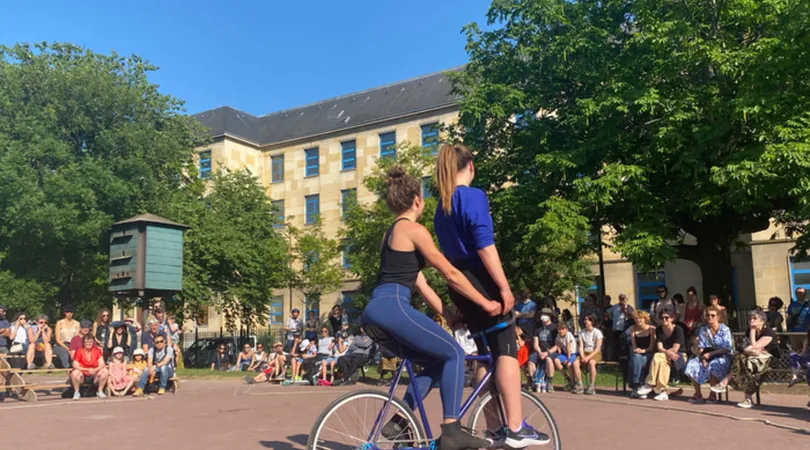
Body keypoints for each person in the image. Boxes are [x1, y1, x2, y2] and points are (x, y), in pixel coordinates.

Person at [361, 164, 506, 450]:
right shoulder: (415, 230)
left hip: (375, 312)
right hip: (393, 306)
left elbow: (422, 284)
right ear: (417, 200)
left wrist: (449, 316)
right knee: (453, 351)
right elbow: (450, 274)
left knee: (436, 362)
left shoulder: (390, 234)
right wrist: (486, 301)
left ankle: (400, 422)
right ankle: (452, 430)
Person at [434, 145, 544, 447]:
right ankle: (515, 426)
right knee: (505, 347)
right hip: (481, 280)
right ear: (470, 166)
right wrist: (505, 287)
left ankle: (494, 426)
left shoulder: (441, 208)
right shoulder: (473, 197)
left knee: (484, 350)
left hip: (461, 287)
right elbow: (484, 245)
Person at [727, 309, 776, 409]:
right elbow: (747, 349)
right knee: (742, 360)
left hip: (769, 360)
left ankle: (727, 380)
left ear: (762, 321)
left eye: (754, 319)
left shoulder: (769, 332)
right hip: (753, 358)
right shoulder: (749, 331)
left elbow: (754, 346)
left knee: (746, 363)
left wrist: (753, 331)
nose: (751, 321)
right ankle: (748, 398)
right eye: (749, 319)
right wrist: (748, 350)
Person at [684, 306, 733, 404]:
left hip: (722, 356)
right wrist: (703, 359)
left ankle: (713, 394)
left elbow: (726, 348)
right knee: (692, 364)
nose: (710, 317)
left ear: (718, 317)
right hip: (706, 355)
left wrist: (711, 354)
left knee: (714, 364)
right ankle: (698, 394)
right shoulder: (703, 330)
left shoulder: (725, 329)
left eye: (712, 315)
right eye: (707, 315)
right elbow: (702, 347)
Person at [637, 309, 687, 401]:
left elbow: (675, 348)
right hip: (665, 355)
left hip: (679, 356)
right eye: (662, 318)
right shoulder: (659, 329)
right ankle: (663, 392)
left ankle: (649, 384)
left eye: (667, 317)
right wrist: (667, 353)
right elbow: (659, 347)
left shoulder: (678, 329)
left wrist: (666, 352)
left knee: (657, 356)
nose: (664, 319)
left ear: (672, 318)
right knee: (662, 363)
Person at [70, 334, 109, 400]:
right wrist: (87, 369)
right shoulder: (79, 351)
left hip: (95, 374)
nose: (89, 343)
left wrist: (95, 370)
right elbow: (75, 365)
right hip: (82, 374)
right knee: (75, 373)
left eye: (91, 342)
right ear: (83, 343)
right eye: (87, 342)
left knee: (105, 371)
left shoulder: (97, 351)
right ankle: (76, 392)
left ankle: (100, 391)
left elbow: (102, 364)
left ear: (93, 342)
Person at [572, 313, 603, 395]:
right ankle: (580, 384)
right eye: (585, 319)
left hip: (594, 353)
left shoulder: (597, 332)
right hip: (585, 352)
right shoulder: (581, 332)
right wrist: (582, 356)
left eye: (588, 320)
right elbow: (581, 346)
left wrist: (588, 357)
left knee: (591, 363)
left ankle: (591, 386)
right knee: (575, 363)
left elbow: (597, 348)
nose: (586, 321)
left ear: (592, 322)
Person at [627, 310, 656, 398]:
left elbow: (652, 346)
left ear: (644, 319)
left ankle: (636, 385)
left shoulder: (651, 329)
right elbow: (634, 346)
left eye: (640, 318)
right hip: (637, 352)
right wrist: (637, 350)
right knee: (636, 358)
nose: (638, 320)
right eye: (636, 318)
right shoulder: (632, 328)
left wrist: (643, 351)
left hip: (648, 352)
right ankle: (639, 386)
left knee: (641, 359)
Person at [529, 308, 557, 392]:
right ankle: (534, 382)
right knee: (531, 360)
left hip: (551, 351)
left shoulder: (554, 327)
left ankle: (549, 382)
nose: (543, 316)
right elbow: (535, 344)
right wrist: (540, 352)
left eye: (546, 314)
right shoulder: (537, 328)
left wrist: (547, 353)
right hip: (540, 351)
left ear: (550, 316)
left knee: (548, 359)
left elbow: (557, 345)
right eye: (542, 314)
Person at [547, 321, 577, 391]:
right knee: (556, 360)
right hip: (565, 354)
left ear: (566, 329)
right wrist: (559, 351)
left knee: (569, 364)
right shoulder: (558, 335)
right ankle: (566, 377)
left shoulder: (568, 335)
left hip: (572, 353)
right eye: (559, 329)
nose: (561, 331)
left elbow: (569, 347)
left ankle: (573, 382)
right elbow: (558, 344)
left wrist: (568, 358)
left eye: (562, 329)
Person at [605, 293, 634, 361]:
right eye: (621, 298)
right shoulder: (616, 306)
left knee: (623, 343)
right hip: (616, 328)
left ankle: (624, 357)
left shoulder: (629, 307)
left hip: (625, 328)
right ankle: (617, 358)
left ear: (626, 299)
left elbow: (633, 315)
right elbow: (607, 311)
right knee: (616, 343)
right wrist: (611, 318)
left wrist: (625, 311)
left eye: (623, 299)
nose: (622, 300)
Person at [788, 329, 810, 409]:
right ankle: (795, 377)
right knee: (793, 355)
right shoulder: (808, 339)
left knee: (809, 370)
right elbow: (803, 353)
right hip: (808, 359)